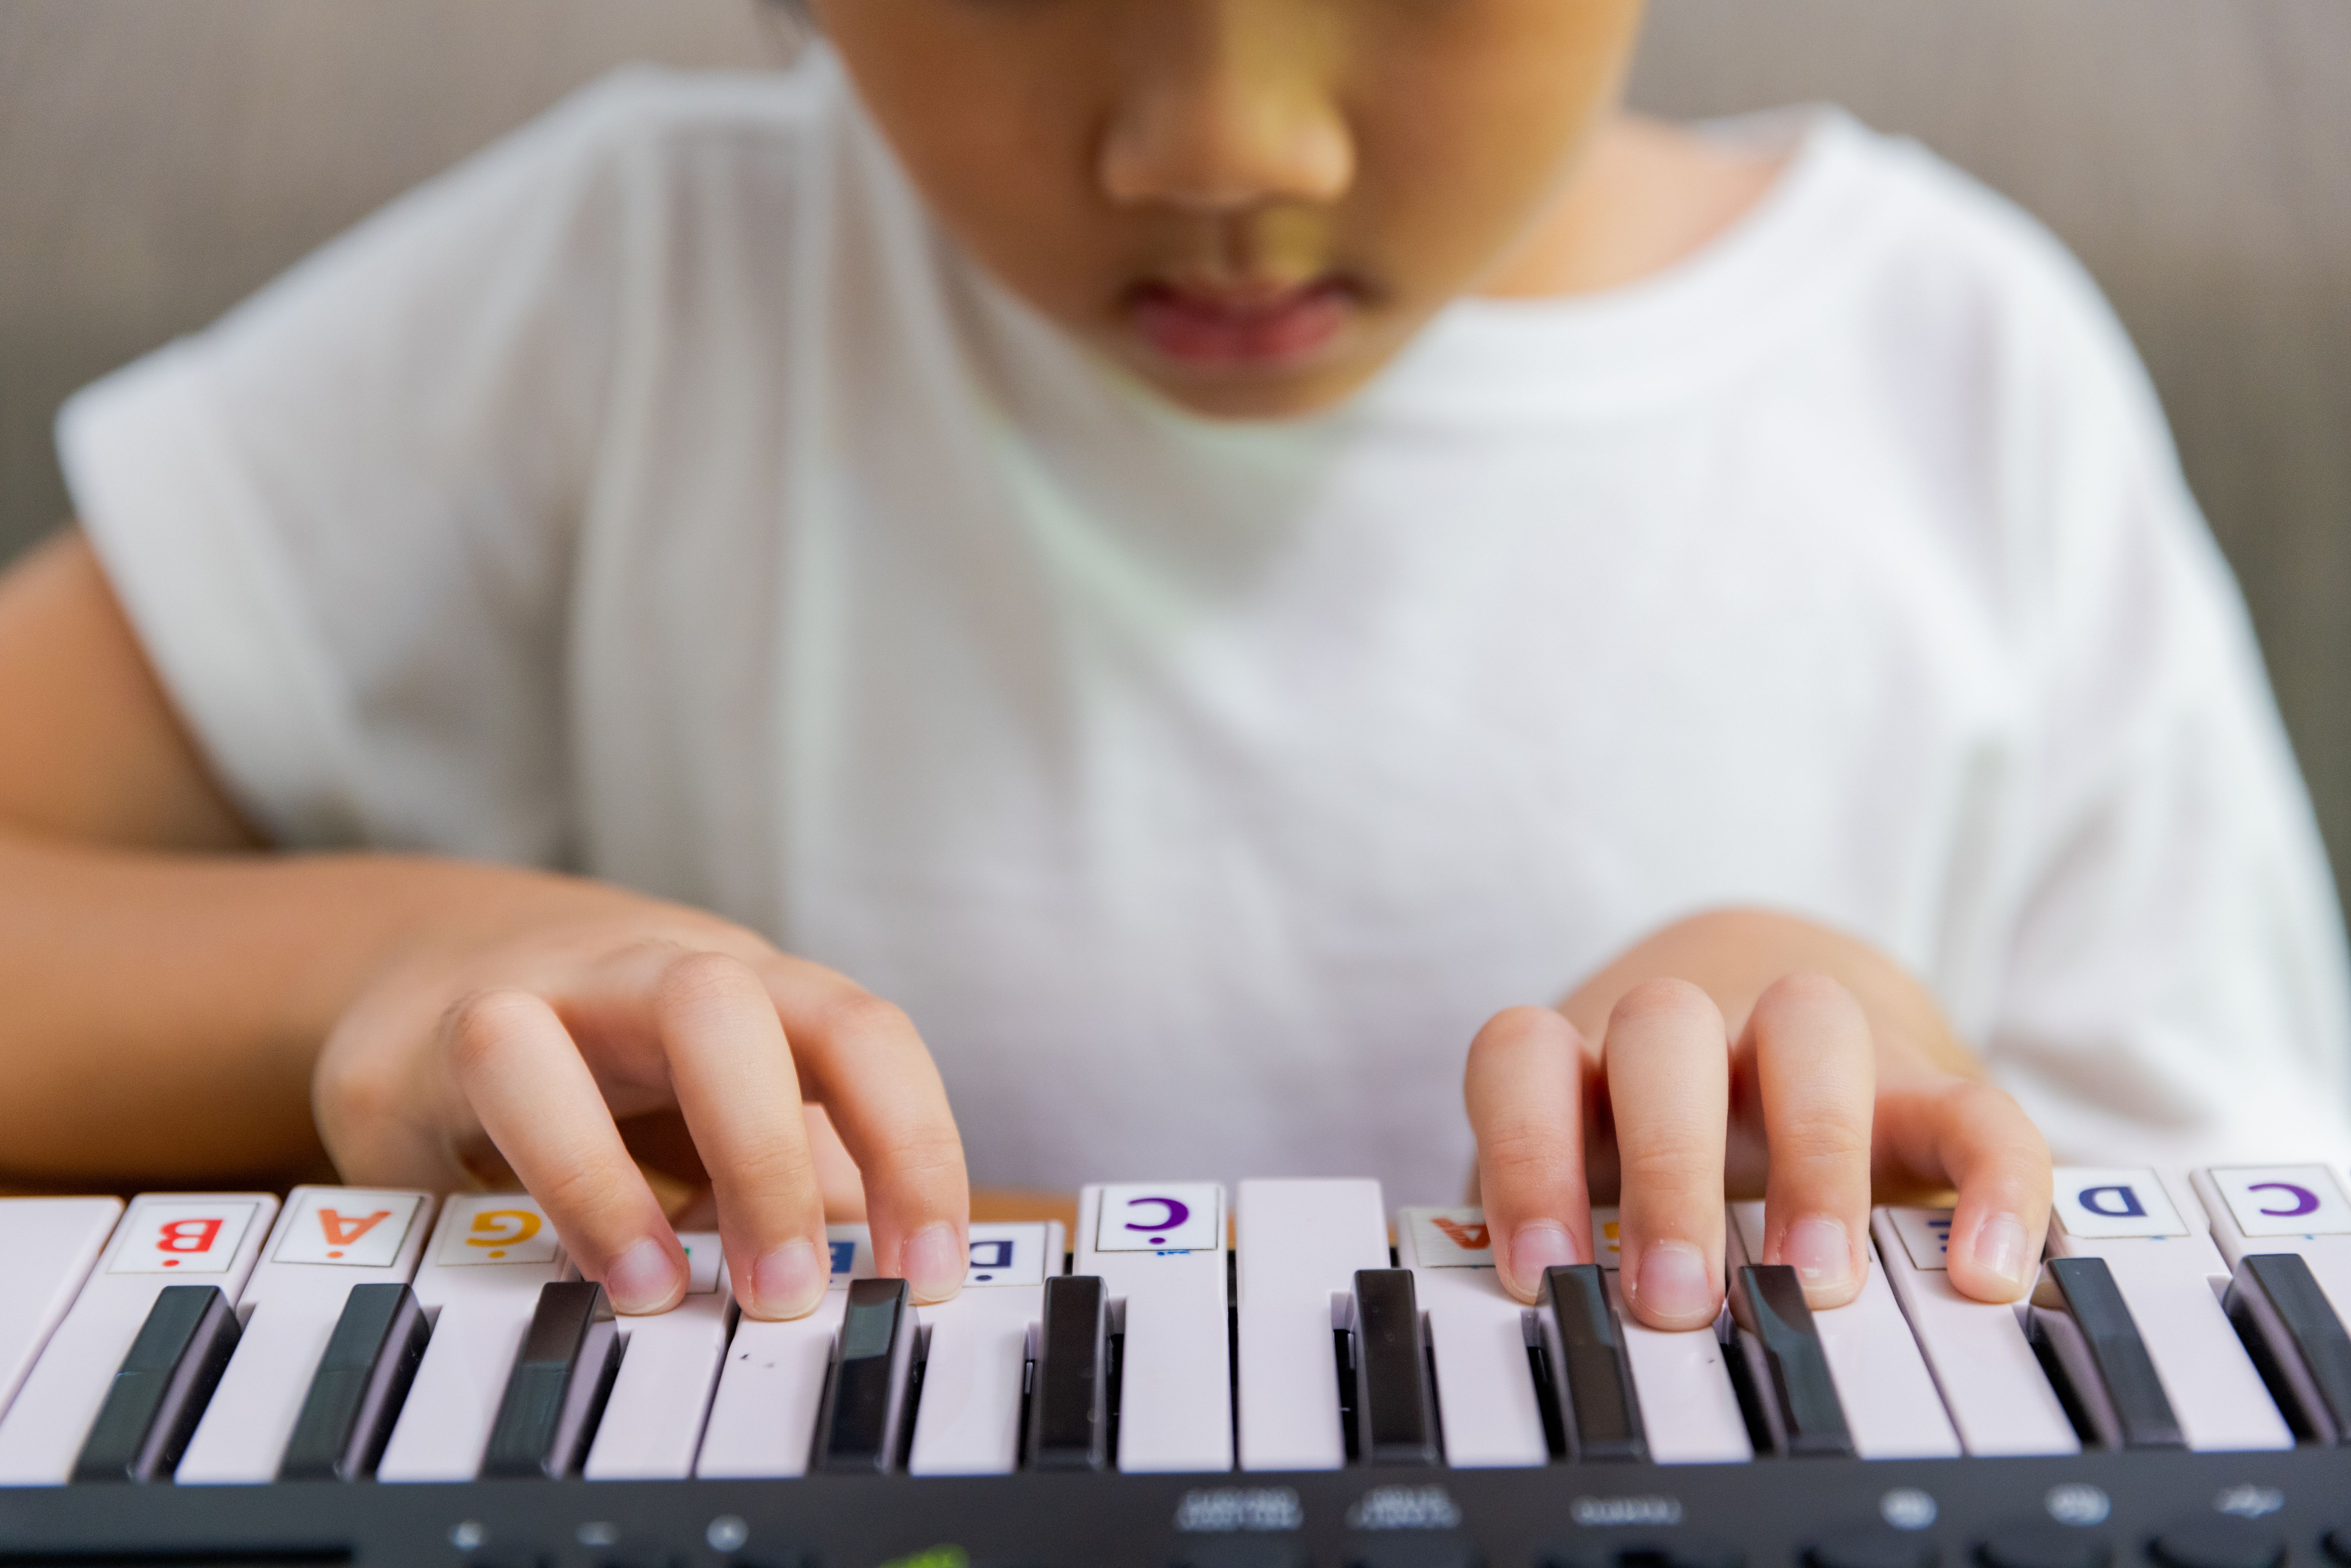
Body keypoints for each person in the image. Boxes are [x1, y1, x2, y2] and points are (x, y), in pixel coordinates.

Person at [0, 0, 2343, 1338]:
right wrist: (400, 963)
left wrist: (1875, 1065)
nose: (1230, 143)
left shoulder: (1962, 364)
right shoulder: (640, 287)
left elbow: (2251, 1286)